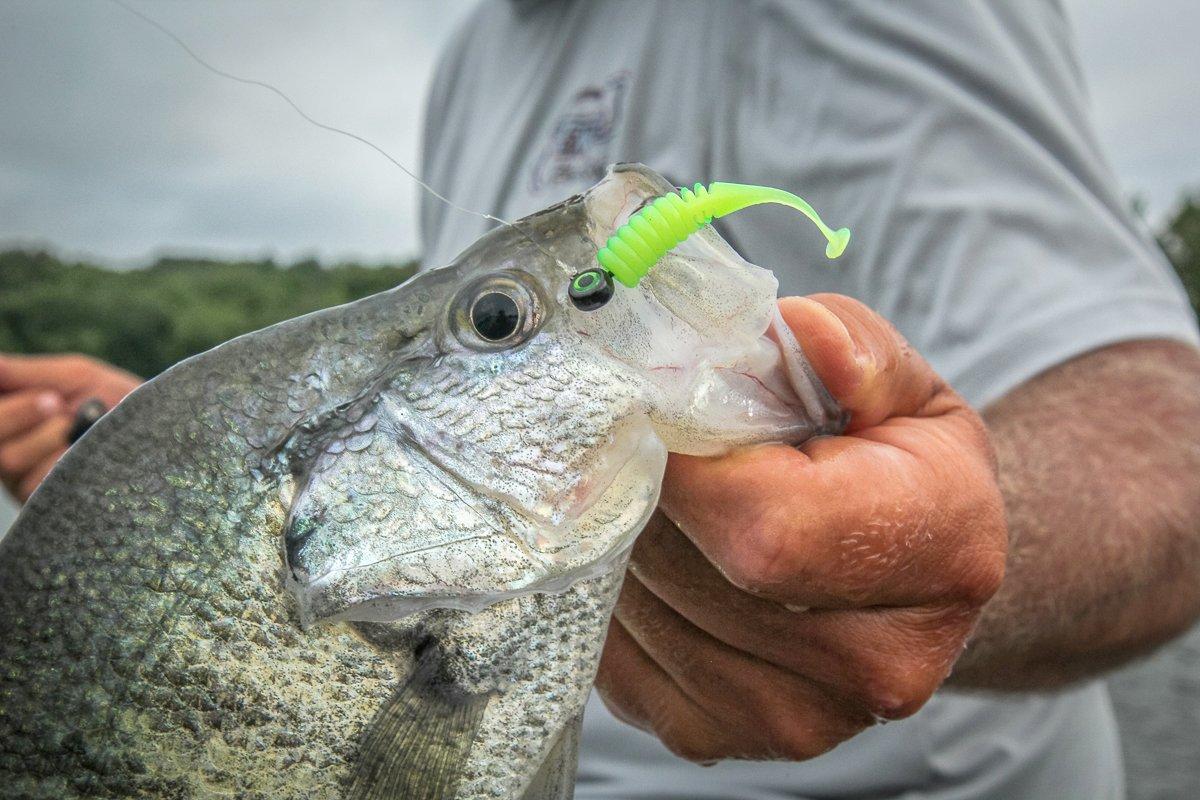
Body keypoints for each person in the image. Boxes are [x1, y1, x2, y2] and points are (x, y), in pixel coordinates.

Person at [2, 2, 1198, 799]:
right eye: (505, 314)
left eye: (501, 313)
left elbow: (1168, 443)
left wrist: (958, 539)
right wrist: (177, 473)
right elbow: (414, 394)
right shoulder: (476, 57)